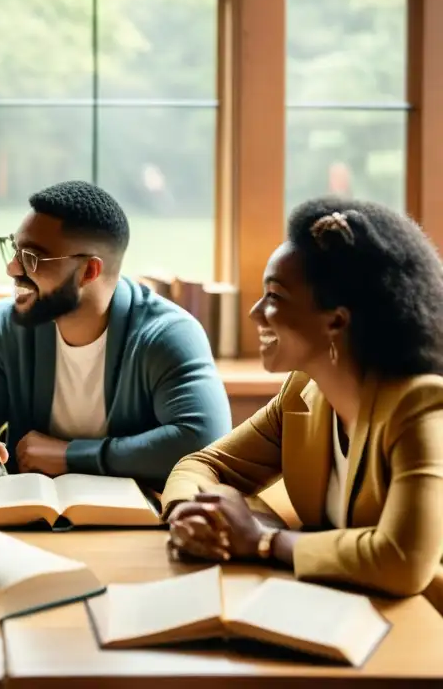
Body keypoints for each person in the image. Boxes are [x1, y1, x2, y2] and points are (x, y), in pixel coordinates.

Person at [162, 197, 443, 613]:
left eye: (274, 296)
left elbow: (403, 561)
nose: (256, 314)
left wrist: (262, 541)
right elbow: (204, 465)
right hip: (338, 610)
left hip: (421, 630)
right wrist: (192, 516)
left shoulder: (419, 405)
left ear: (336, 322)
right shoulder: (303, 392)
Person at [0, 180, 232, 487]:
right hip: (31, 514)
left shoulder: (167, 335)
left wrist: (70, 456)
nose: (12, 268)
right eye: (14, 249)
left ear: (89, 272)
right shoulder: (5, 327)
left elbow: (205, 440)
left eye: (31, 258)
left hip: (136, 524)